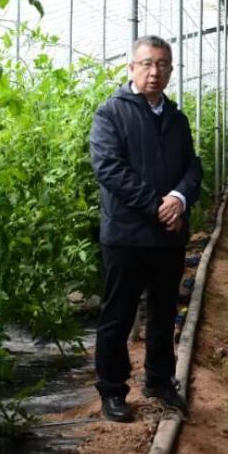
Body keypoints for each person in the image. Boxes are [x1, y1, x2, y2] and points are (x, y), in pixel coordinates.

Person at [89, 35, 202, 422]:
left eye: (163, 64)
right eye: (147, 63)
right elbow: (109, 169)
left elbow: (192, 167)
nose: (155, 72)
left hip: (168, 235)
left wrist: (180, 198)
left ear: (170, 70)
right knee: (117, 315)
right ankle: (112, 390)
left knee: (164, 310)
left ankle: (159, 380)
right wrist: (158, 206)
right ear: (132, 68)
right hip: (126, 236)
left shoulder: (176, 118)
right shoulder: (111, 113)